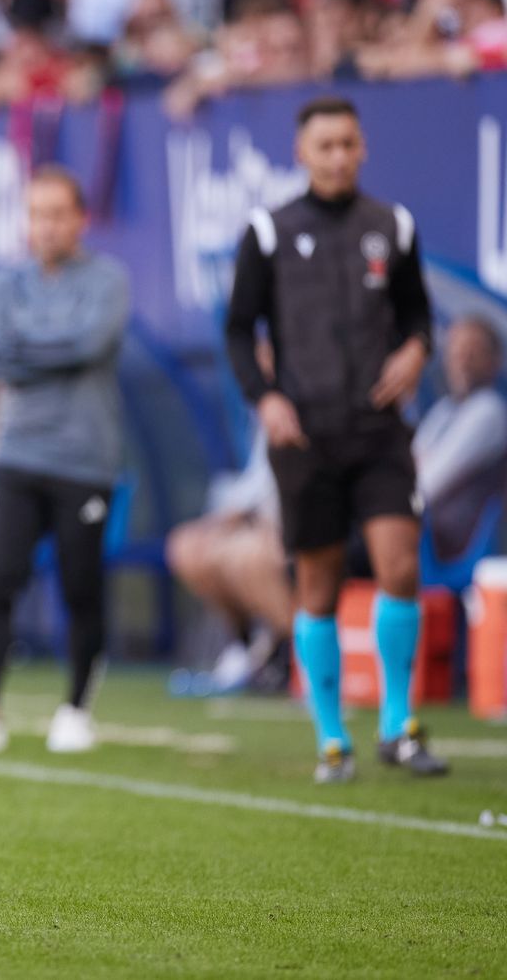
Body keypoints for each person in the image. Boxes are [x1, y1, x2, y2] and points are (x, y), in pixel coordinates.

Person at [225, 95, 447, 782]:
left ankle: (397, 725)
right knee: (316, 586)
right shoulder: (268, 231)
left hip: (379, 431)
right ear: (301, 153)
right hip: (307, 436)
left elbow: (417, 314)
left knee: (399, 565)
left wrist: (415, 351)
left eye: (349, 143)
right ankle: (330, 738)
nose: (339, 156)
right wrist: (266, 401)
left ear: (364, 148)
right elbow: (238, 330)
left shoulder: (393, 226)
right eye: (325, 146)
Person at [0, 166, 129, 756]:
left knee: (81, 588)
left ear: (81, 219)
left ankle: (76, 710)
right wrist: (53, 350)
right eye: (37, 214)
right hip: (15, 453)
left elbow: (92, 343)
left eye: (59, 214)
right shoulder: (2, 285)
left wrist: (25, 350)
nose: (48, 226)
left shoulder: (107, 279)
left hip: (84, 458)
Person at [165, 427, 294, 694]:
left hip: (298, 527)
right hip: (258, 522)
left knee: (247, 555)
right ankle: (244, 645)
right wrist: (222, 520)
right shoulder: (268, 415)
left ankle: (287, 651)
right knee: (187, 545)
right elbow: (256, 482)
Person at [413, 315, 507, 561]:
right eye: (455, 351)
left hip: (443, 545)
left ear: (494, 362)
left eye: (472, 352)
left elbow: (426, 486)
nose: (462, 360)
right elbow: (408, 465)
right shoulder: (445, 409)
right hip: (417, 530)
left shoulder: (489, 411)